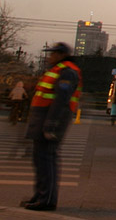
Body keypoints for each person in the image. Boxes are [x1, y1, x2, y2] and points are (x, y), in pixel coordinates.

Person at [22, 42, 82, 212]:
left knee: (46, 160)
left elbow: (61, 100)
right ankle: (40, 195)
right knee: (40, 160)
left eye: (53, 54)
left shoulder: (67, 72)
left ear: (61, 54)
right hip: (42, 120)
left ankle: (47, 199)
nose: (50, 57)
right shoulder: (58, 70)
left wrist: (51, 124)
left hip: (49, 121)